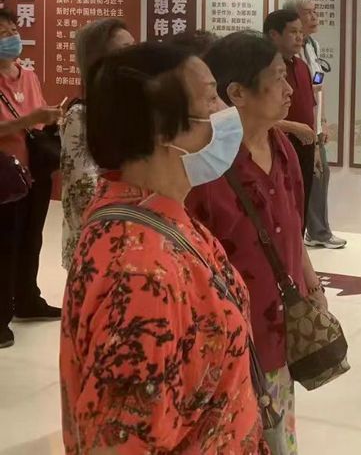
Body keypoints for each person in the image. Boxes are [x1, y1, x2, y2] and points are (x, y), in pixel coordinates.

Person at [60, 42, 265, 452]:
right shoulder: (138, 274)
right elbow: (122, 442)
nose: (225, 112)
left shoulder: (159, 213)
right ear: (160, 127)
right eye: (210, 98)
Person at [188, 31, 329, 454]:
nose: (290, 90)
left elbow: (293, 224)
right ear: (237, 93)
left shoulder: (282, 147)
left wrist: (311, 283)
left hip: (280, 328)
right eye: (277, 78)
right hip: (226, 341)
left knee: (278, 433)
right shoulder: (206, 163)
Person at [0, 9, 64, 349]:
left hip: (35, 171)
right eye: (2, 32)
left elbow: (36, 119)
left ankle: (27, 299)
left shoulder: (28, 75)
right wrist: (29, 119)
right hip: (5, 174)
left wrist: (48, 118)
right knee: (5, 245)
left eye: (13, 29)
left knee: (31, 238)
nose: (10, 37)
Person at [60, 17, 135, 270]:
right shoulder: (80, 116)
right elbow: (81, 192)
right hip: (101, 239)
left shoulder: (131, 109)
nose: (134, 55)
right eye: (125, 50)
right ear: (99, 60)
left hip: (134, 233)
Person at [284, 0, 346, 250]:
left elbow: (318, 81)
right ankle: (309, 233)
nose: (314, 17)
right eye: (308, 13)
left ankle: (316, 231)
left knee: (320, 174)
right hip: (292, 125)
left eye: (315, 12)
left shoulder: (312, 46)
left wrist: (322, 121)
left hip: (312, 121)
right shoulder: (285, 57)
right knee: (307, 177)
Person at [265, 9, 317, 213]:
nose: (299, 37)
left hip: (305, 146)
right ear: (274, 35)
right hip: (278, 145)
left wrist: (315, 144)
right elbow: (253, 114)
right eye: (293, 32)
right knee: (282, 208)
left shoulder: (302, 66)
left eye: (301, 32)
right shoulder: (265, 68)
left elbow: (310, 105)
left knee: (301, 205)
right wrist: (293, 127)